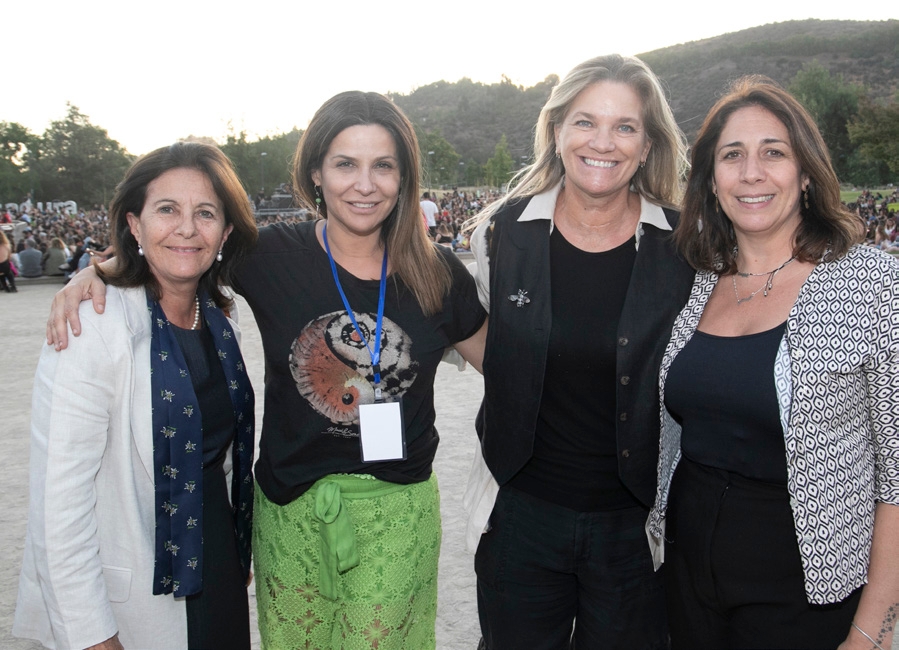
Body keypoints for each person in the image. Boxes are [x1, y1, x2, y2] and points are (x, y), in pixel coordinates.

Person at [46, 91, 487, 649]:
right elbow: (187, 247)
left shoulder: (438, 272)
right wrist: (103, 271)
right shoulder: (269, 254)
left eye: (384, 166)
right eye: (345, 164)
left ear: (405, 177)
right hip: (288, 509)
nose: (365, 183)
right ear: (316, 173)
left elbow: (509, 368)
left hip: (395, 510)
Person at [647, 76, 899, 650]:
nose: (752, 172)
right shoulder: (698, 284)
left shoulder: (871, 286)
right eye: (732, 155)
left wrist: (870, 630)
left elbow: (898, 477)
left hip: (806, 589)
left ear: (806, 174)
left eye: (774, 153)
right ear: (711, 179)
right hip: (689, 582)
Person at [466, 54, 694, 649]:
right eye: (586, 122)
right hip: (521, 516)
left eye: (625, 127)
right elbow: (462, 324)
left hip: (634, 528)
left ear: (647, 146)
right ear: (558, 130)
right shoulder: (502, 233)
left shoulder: (686, 247)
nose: (604, 142)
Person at [14, 142, 258, 650]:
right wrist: (91, 634)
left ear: (226, 232)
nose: (187, 228)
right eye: (166, 209)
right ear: (134, 224)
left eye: (206, 213)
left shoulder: (220, 318)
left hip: (218, 566)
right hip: (131, 593)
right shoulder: (92, 325)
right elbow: (59, 502)